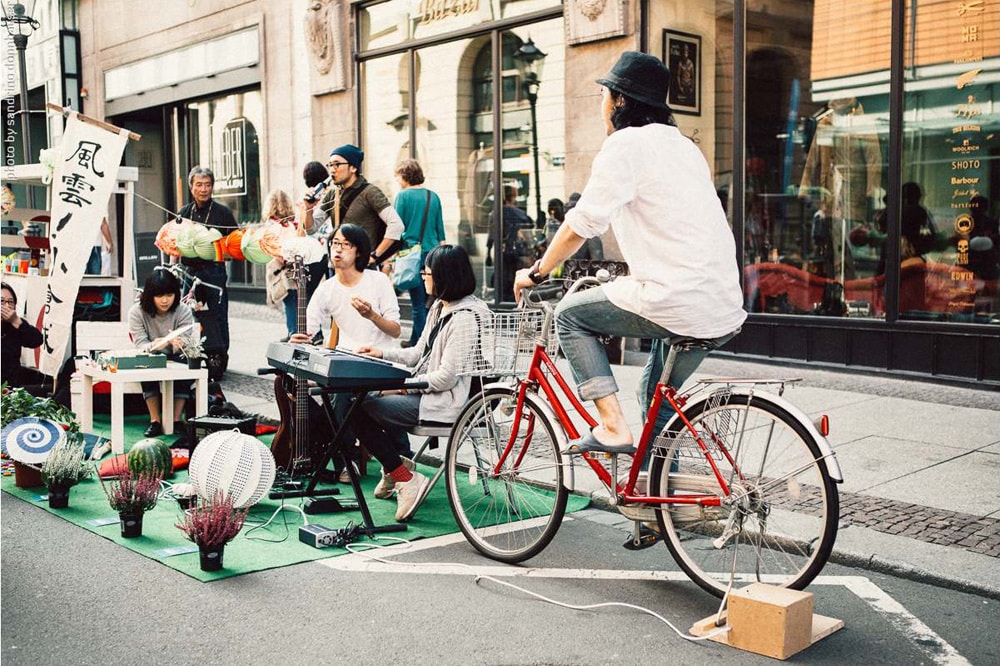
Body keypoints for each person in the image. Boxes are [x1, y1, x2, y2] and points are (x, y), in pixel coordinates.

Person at [513, 51, 746, 455]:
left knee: (569, 315)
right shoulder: (686, 148)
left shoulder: (625, 145)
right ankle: (663, 509)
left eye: (604, 95)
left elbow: (580, 225)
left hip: (676, 298)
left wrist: (536, 271)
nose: (602, 105)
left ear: (620, 100)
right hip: (720, 303)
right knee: (655, 406)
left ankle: (611, 425)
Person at [352, 245, 490, 521]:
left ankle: (404, 477)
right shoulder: (441, 306)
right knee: (358, 398)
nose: (423, 277)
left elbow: (445, 378)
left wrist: (402, 385)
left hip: (449, 403)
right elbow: (418, 353)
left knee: (356, 410)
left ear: (444, 276)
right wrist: (381, 353)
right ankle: (397, 468)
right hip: (430, 394)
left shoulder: (465, 318)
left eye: (427, 272)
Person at [289, 224, 402, 480]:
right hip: (345, 362)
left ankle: (362, 459)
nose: (337, 250)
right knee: (333, 392)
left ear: (359, 252)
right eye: (334, 244)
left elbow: (396, 331)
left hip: (380, 360)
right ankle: (346, 458)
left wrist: (372, 315)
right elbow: (309, 327)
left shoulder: (378, 281)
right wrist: (299, 338)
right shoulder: (328, 288)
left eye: (345, 245)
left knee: (341, 395)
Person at [300, 145, 404, 268]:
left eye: (337, 164)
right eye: (330, 165)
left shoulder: (370, 192)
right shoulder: (333, 194)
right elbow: (311, 228)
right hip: (337, 266)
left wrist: (374, 256)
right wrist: (308, 209)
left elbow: (396, 225)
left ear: (353, 167)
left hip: (361, 268)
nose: (332, 170)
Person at [176, 166, 238, 373]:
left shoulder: (223, 212)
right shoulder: (184, 212)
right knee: (188, 313)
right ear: (191, 187)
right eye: (199, 185)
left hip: (214, 272)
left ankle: (219, 358)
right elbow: (174, 241)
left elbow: (235, 243)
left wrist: (218, 249)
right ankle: (191, 354)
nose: (203, 189)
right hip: (188, 271)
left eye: (208, 185)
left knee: (217, 315)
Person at [128, 270, 196, 437]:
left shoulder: (183, 311)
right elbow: (140, 344)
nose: (165, 300)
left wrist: (177, 344)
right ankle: (155, 420)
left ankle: (176, 419)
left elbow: (186, 343)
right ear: (150, 295)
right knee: (145, 363)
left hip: (175, 356)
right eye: (159, 296)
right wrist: (159, 343)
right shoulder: (137, 312)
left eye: (169, 294)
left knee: (184, 361)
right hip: (152, 354)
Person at [393, 158, 446, 346]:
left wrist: (390, 256)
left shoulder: (402, 196)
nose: (398, 180)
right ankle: (415, 339)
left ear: (405, 176)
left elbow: (396, 228)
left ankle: (425, 345)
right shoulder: (434, 196)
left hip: (411, 254)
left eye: (398, 176)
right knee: (427, 301)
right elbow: (441, 230)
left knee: (417, 305)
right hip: (433, 254)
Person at [262, 189, 302, 338]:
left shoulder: (271, 224)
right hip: (296, 264)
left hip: (280, 266)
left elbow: (269, 245)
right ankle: (297, 330)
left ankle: (293, 331)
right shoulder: (293, 222)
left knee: (287, 299)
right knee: (297, 299)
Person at [486, 185, 533, 300]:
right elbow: (528, 231)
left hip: (502, 252)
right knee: (514, 279)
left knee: (502, 280)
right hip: (517, 252)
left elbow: (491, 236)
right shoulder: (521, 214)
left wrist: (488, 252)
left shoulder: (495, 214)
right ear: (512, 197)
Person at [1, 282, 45, 389]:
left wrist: (16, 321)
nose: (7, 306)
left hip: (10, 389)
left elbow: (37, 340)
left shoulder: (15, 325)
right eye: (2, 301)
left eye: (10, 302)